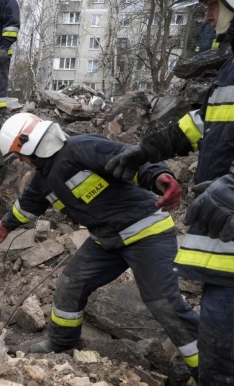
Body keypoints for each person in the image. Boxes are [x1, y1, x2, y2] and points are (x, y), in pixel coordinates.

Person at [0, 113, 200, 379]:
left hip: (147, 232)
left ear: (29, 144)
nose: (20, 161)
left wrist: (160, 177)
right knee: (70, 284)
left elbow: (131, 157)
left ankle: (209, 367)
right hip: (107, 241)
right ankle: (62, 343)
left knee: (162, 304)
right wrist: (7, 225)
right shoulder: (43, 179)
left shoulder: (81, 148)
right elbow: (26, 207)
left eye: (19, 154)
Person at [105, 0, 234, 383]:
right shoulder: (229, 68)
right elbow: (210, 124)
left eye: (212, 4)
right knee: (217, 354)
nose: (207, 15)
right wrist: (148, 150)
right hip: (223, 247)